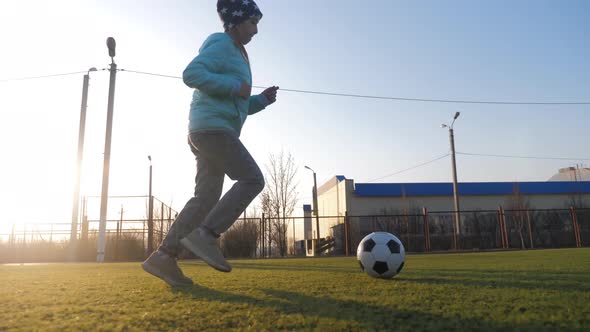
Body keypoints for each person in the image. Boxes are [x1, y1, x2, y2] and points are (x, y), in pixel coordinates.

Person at [142, 0, 278, 287]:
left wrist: (261, 101)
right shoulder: (221, 44)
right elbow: (191, 74)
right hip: (213, 131)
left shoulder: (239, 54)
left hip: (209, 130)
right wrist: (233, 87)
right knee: (252, 178)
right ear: (235, 22)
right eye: (253, 23)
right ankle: (207, 235)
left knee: (205, 198)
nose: (256, 30)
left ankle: (164, 256)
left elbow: (237, 103)